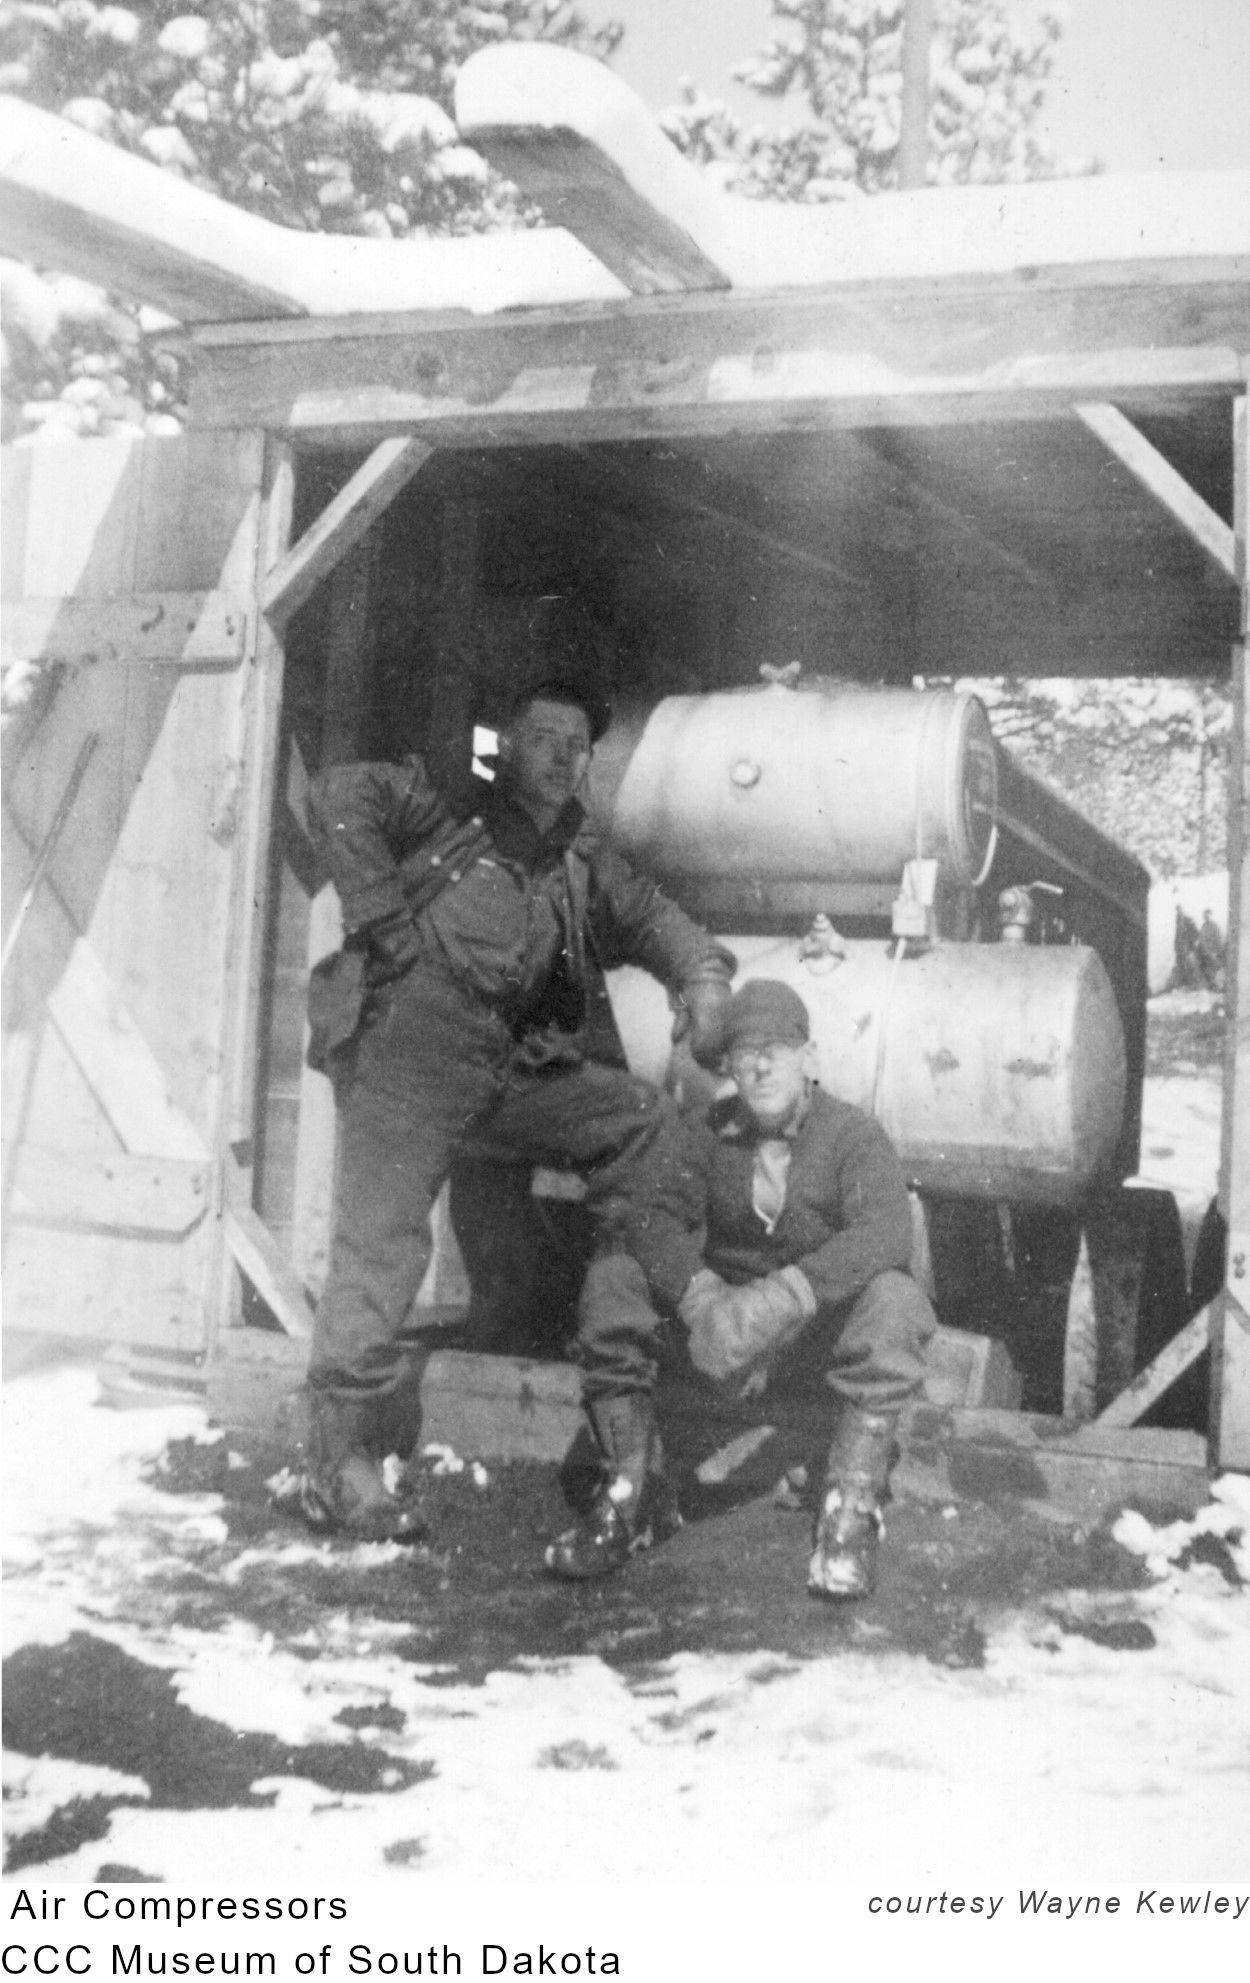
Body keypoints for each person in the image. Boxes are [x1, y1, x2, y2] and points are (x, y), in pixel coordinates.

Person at [299, 674, 734, 1539]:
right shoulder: (447, 810)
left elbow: (651, 915)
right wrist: (385, 921)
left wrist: (704, 974)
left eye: (578, 745)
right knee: (380, 1246)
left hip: (511, 1070)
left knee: (641, 1126)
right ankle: (337, 1461)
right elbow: (338, 794)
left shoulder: (578, 854)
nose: (565, 758)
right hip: (410, 1060)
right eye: (546, 738)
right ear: (509, 743)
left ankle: (622, 1407)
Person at [547, 978, 936, 1599]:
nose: (758, 1066)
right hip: (719, 1342)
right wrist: (701, 1297)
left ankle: (850, 1506)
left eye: (775, 1048)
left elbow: (886, 1230)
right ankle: (631, 1490)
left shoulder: (852, 1135)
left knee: (895, 1300)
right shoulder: (702, 1131)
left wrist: (787, 1294)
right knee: (614, 1280)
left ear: (809, 1057)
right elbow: (648, 1217)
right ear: (727, 1066)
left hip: (809, 1349)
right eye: (743, 1053)